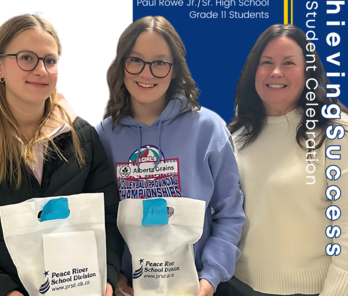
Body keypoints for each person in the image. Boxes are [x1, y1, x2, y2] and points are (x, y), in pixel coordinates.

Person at [0, 14, 123, 296]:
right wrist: (1, 291)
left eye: (50, 60)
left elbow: (109, 219)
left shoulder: (83, 136)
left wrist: (105, 276)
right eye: (26, 58)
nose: (41, 70)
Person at [96, 16, 245, 296]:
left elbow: (230, 214)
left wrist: (210, 278)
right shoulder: (102, 137)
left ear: (175, 69)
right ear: (122, 64)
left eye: (160, 63)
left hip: (194, 288)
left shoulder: (209, 129)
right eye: (136, 60)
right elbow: (99, 222)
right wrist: (114, 278)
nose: (146, 73)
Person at [227, 24, 348, 296]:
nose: (276, 72)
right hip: (234, 285)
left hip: (313, 291)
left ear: (309, 72)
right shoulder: (235, 134)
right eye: (267, 63)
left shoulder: (337, 134)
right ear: (254, 71)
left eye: (289, 63)